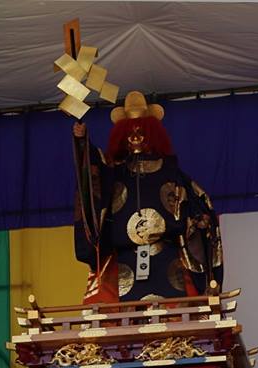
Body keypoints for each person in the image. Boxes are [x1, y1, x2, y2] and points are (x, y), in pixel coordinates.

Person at [72, 91, 223, 303]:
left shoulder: (169, 171)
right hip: (124, 257)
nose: (135, 138)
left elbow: (196, 199)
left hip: (169, 256)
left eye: (141, 132)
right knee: (118, 314)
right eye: (130, 132)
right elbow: (94, 177)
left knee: (175, 310)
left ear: (152, 134)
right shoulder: (115, 173)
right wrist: (82, 143)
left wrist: (199, 218)